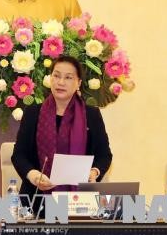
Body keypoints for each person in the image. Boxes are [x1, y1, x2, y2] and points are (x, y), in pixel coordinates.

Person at [11, 56, 113, 204]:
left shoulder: (91, 115)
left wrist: (94, 172)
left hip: (80, 202)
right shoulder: (33, 113)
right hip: (36, 200)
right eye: (56, 75)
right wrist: (33, 175)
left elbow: (104, 155)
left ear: (78, 83)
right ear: (50, 79)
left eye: (68, 77)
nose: (60, 82)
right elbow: (19, 155)